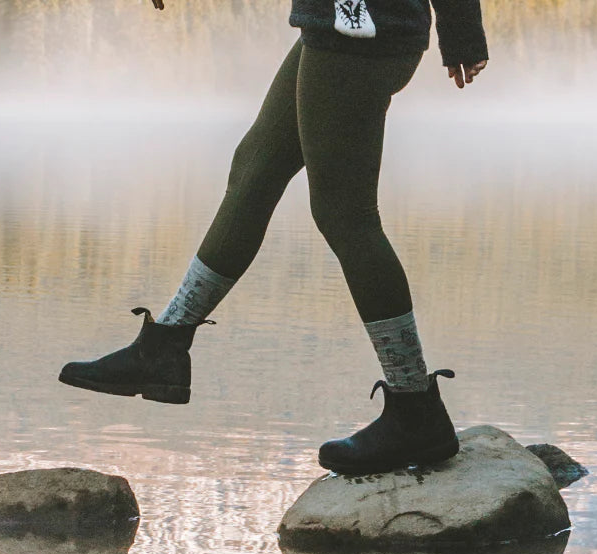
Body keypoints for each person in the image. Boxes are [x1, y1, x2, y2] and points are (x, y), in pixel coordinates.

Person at [59, 0, 488, 476]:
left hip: (361, 29)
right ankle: (164, 349)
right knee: (255, 169)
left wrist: (461, 27)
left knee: (346, 216)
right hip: (340, 24)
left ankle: (415, 408)